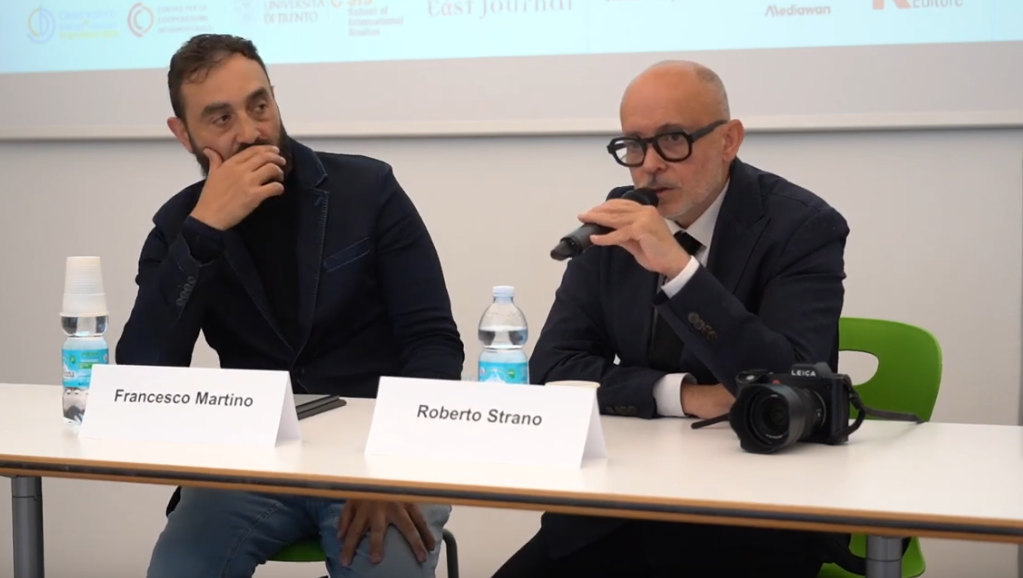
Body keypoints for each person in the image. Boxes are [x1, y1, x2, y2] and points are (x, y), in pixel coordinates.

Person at [116, 34, 464, 578]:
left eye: (259, 106)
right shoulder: (180, 228)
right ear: (183, 134)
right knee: (179, 567)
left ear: (275, 99)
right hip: (253, 458)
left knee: (385, 565)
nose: (250, 132)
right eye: (221, 118)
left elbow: (434, 343)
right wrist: (204, 234)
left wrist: (392, 467)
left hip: (377, 454)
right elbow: (143, 375)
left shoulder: (367, 189)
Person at [491, 60, 852, 577]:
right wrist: (684, 396)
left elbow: (790, 382)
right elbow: (554, 368)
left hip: (751, 520)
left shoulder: (801, 227)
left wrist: (681, 272)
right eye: (634, 146)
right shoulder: (616, 222)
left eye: (672, 140)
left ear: (728, 140)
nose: (650, 166)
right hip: (618, 509)